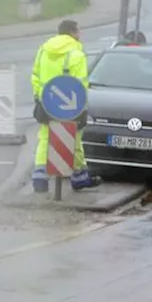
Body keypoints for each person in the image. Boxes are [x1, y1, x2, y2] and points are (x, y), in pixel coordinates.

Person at [30, 19, 102, 193]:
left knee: (45, 136)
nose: (80, 34)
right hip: (70, 104)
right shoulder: (76, 54)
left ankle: (40, 177)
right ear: (72, 32)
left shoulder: (43, 50)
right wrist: (81, 107)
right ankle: (79, 177)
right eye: (79, 31)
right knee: (74, 137)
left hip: (47, 101)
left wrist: (40, 97)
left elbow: (35, 76)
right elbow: (80, 84)